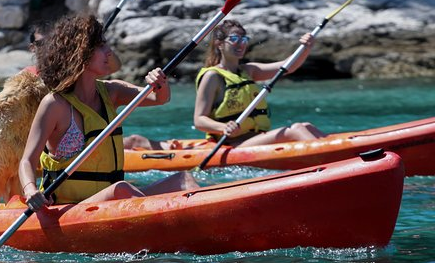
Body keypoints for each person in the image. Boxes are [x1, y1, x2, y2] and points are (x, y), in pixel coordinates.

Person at [19, 15, 198, 211]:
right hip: (69, 210)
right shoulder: (55, 104)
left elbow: (159, 98)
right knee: (120, 189)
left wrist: (159, 83)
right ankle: (170, 226)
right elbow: (27, 160)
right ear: (81, 53)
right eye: (102, 46)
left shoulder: (113, 92)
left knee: (183, 179)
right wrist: (30, 190)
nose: (109, 52)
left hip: (109, 204)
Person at [193, 20, 325, 146]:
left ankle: (337, 155)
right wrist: (223, 127)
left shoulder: (249, 71)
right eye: (234, 39)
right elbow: (199, 120)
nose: (240, 44)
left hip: (257, 138)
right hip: (233, 144)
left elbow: (287, 66)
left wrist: (306, 48)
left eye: (244, 39)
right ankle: (326, 160)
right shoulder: (213, 76)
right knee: (296, 129)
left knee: (307, 126)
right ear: (219, 44)